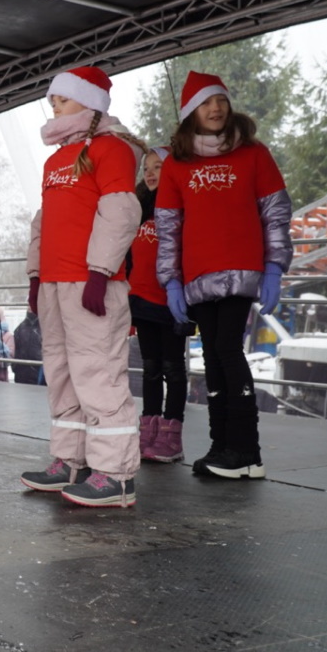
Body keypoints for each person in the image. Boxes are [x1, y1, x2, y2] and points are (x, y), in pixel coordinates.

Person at [156, 71, 292, 479]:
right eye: (205, 102)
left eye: (220, 100)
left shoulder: (254, 154)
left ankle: (247, 451)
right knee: (213, 355)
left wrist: (274, 267)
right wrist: (171, 280)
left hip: (241, 270)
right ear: (190, 112)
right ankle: (222, 446)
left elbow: (276, 213)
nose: (215, 108)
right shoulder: (176, 164)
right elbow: (168, 227)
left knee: (228, 349)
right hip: (198, 276)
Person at [20, 66, 144, 508]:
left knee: (98, 372)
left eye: (62, 98)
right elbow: (43, 223)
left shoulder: (113, 149)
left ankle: (116, 474)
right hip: (56, 282)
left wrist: (100, 271)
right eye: (52, 100)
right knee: (62, 372)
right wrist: (36, 275)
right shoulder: (55, 160)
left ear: (89, 102)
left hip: (91, 281)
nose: (54, 106)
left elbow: (121, 211)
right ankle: (70, 460)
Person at [128, 146, 190, 463]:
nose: (150, 173)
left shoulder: (183, 207)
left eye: (157, 167)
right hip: (142, 302)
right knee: (150, 369)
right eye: (146, 168)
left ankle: (171, 437)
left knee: (173, 370)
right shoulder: (139, 208)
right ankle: (148, 431)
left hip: (171, 302)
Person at [11, 310, 43, 385]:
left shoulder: (45, 328)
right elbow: (15, 350)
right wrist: (15, 367)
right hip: (21, 373)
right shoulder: (19, 329)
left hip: (39, 372)